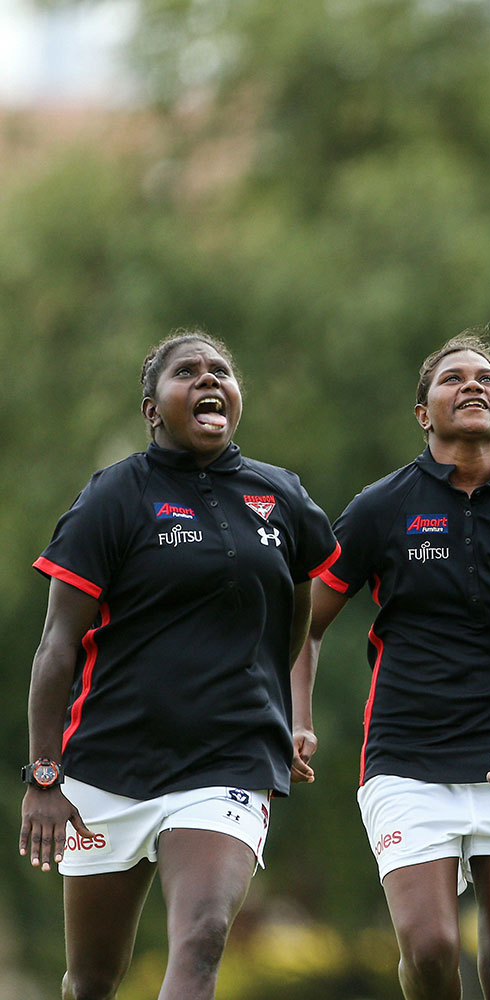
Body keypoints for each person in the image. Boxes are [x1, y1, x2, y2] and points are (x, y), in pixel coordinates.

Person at [19, 331, 339, 1000]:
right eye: (186, 372)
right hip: (110, 763)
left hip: (229, 759)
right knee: (91, 981)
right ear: (152, 408)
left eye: (220, 370)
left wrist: (285, 714)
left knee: (201, 941)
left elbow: (297, 621)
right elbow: (55, 647)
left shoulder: (281, 499)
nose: (207, 380)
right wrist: (45, 776)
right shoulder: (113, 498)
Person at [292, 333, 490, 1000]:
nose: (473, 386)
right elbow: (305, 628)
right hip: (406, 760)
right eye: (452, 379)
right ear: (423, 414)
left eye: (487, 379)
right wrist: (296, 719)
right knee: (432, 949)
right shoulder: (382, 508)